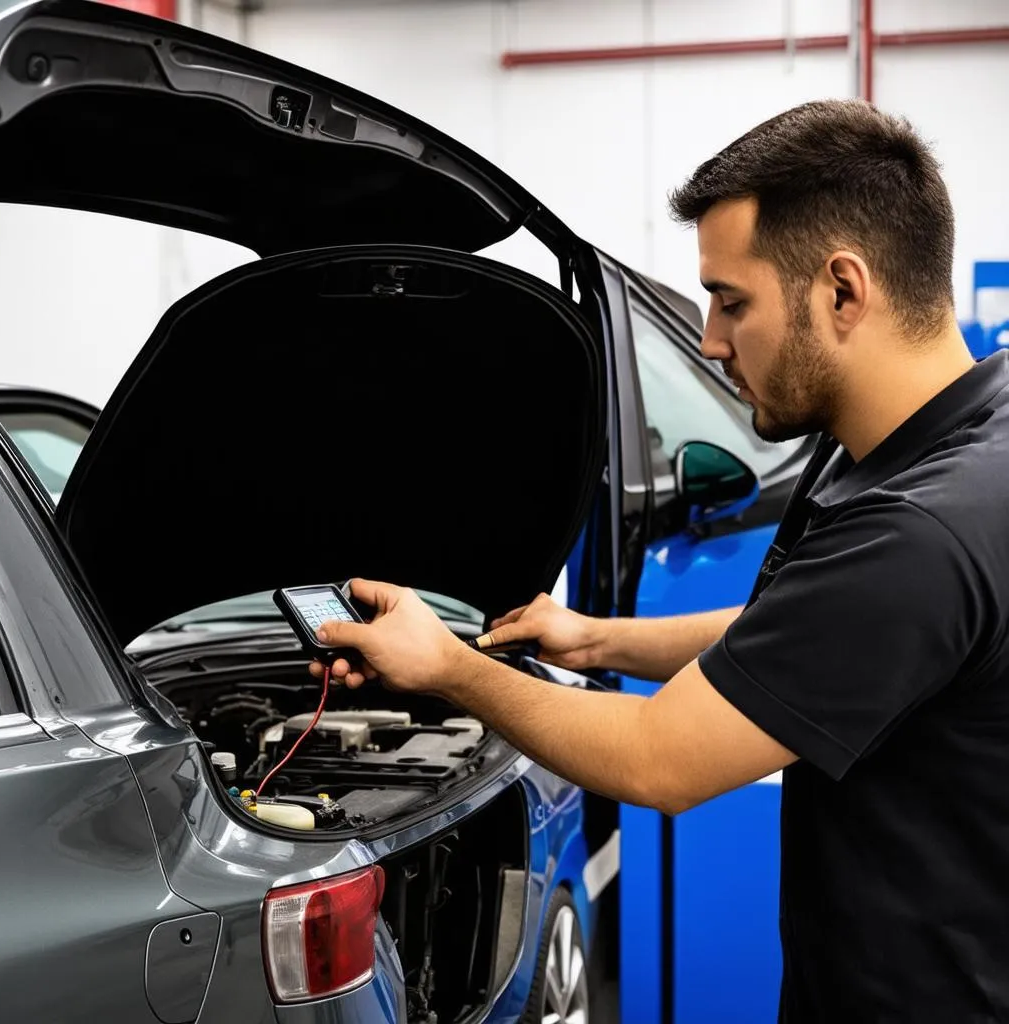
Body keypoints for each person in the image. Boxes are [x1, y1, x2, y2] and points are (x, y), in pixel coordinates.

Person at [311, 99, 1009, 1022]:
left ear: (843, 290)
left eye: (731, 301)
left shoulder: (914, 530)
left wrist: (449, 667)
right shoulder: (958, 438)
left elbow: (658, 762)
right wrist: (594, 640)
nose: (713, 340)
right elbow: (803, 641)